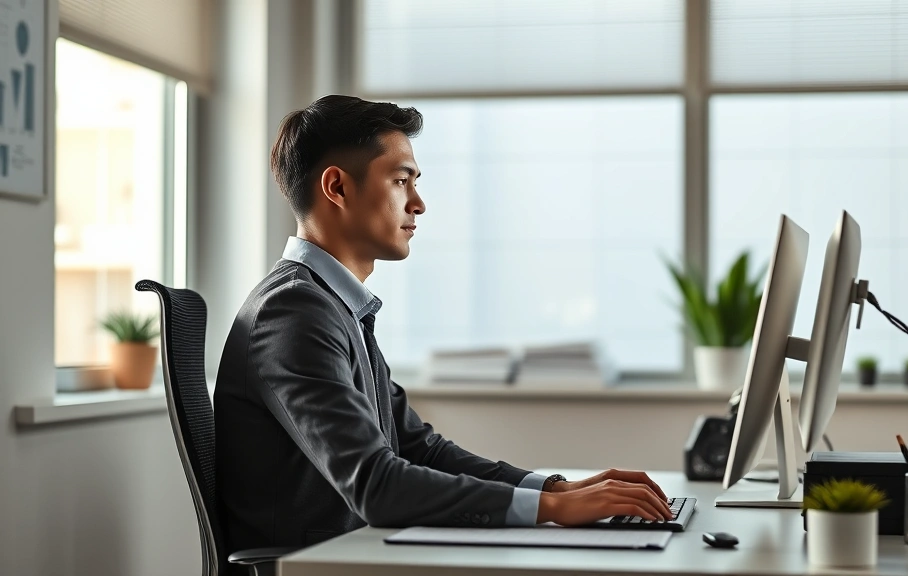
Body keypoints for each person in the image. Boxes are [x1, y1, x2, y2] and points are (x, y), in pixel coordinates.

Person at [214, 95, 672, 567]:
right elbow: (376, 484)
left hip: (356, 554)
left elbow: (418, 448)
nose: (419, 203)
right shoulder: (293, 311)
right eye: (401, 181)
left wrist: (555, 488)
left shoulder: (333, 305)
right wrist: (551, 509)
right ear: (337, 187)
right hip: (320, 564)